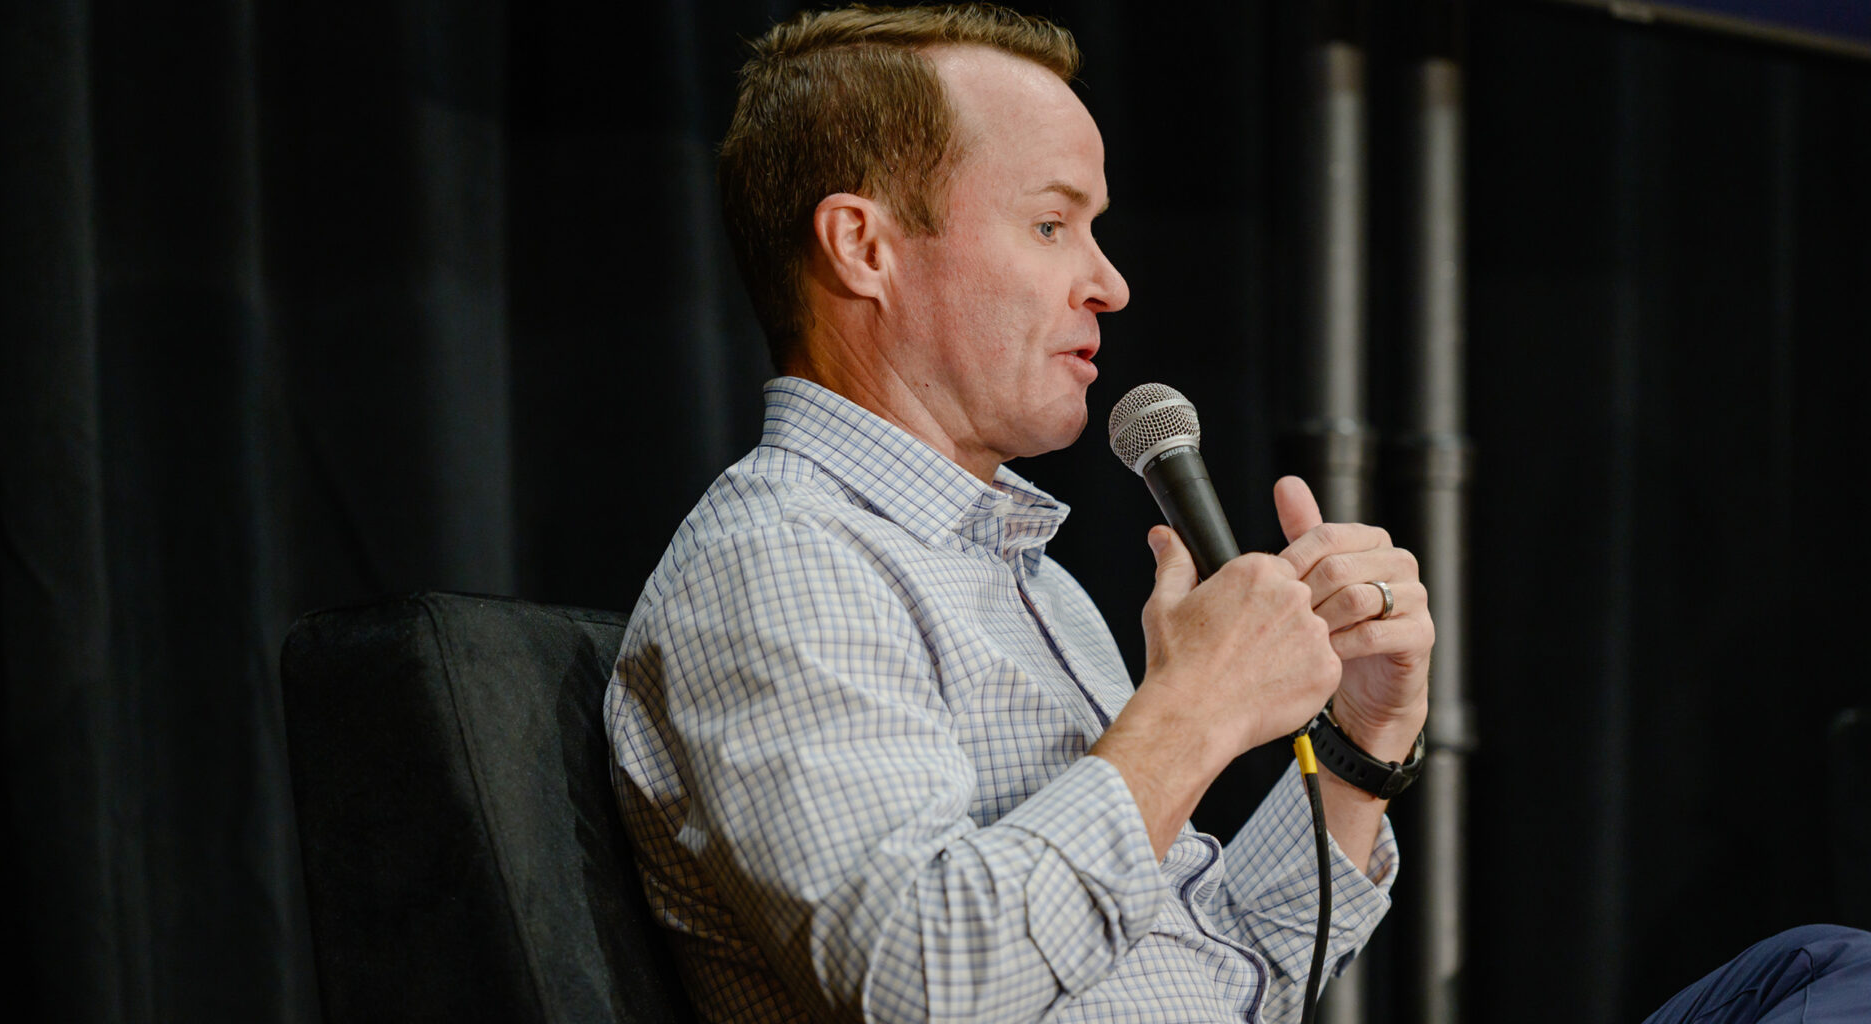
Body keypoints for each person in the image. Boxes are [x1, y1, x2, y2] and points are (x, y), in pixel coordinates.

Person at [603, 5, 1870, 1023]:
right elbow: (925, 981)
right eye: (1050, 224)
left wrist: (1361, 748)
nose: (1109, 281)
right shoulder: (784, 559)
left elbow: (1234, 967)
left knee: (1826, 961)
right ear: (863, 247)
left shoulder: (1022, 579)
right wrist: (1195, 708)